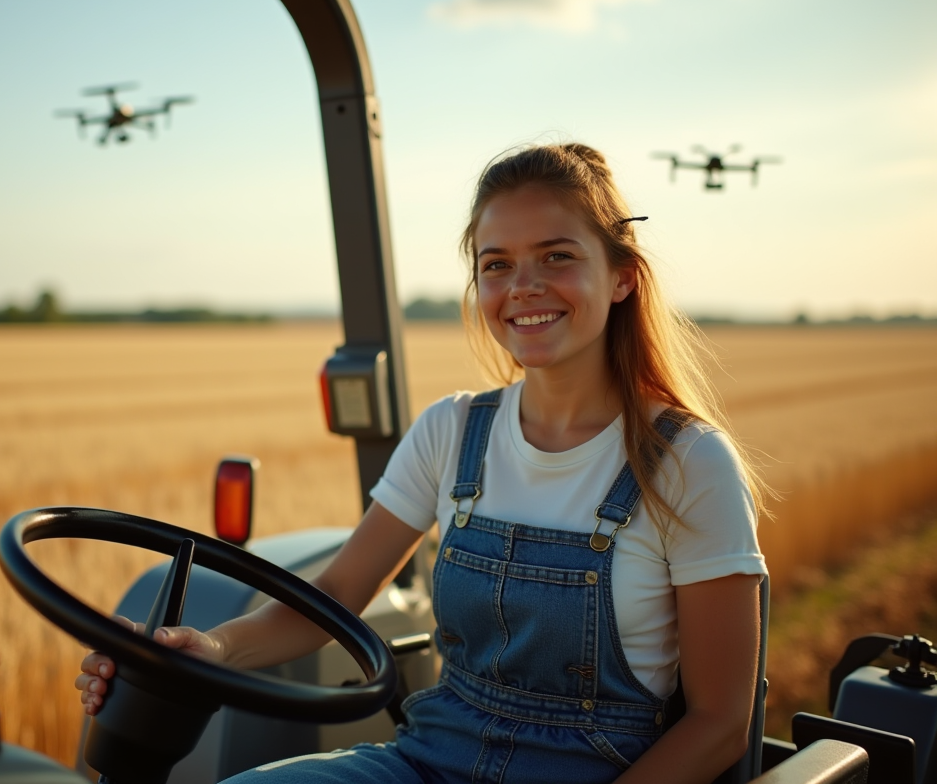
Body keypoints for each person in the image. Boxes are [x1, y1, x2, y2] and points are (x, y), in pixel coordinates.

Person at [76, 142, 771, 784]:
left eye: (557, 256)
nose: (522, 286)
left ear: (621, 278)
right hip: (429, 762)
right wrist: (211, 649)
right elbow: (336, 595)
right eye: (496, 264)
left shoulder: (687, 462)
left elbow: (718, 726)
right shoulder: (453, 431)